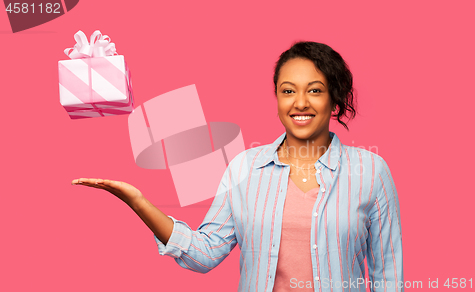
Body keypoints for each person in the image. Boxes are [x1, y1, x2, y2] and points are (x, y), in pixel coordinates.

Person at [72, 41, 403, 292]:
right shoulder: (245, 168)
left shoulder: (370, 172)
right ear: (276, 98)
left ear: (334, 98)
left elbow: (387, 275)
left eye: (314, 91)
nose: (300, 102)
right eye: (288, 91)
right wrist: (137, 201)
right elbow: (204, 253)